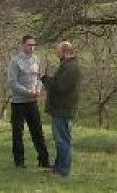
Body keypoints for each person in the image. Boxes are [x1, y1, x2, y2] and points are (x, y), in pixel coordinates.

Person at [6, 34, 50, 169]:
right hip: (19, 102)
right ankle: (19, 162)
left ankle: (44, 160)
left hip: (32, 102)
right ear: (23, 45)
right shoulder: (15, 61)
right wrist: (28, 92)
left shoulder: (36, 60)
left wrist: (38, 89)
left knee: (37, 131)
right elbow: (12, 82)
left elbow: (38, 78)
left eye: (33, 45)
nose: (32, 48)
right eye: (29, 45)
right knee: (18, 133)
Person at [41, 40, 82, 177]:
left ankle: (63, 170)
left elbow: (59, 87)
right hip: (62, 108)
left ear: (65, 52)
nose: (57, 54)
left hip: (63, 109)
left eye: (59, 52)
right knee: (61, 140)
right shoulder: (68, 65)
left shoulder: (70, 67)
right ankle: (59, 167)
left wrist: (45, 79)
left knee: (63, 140)